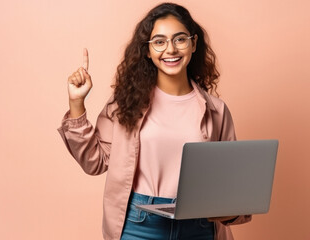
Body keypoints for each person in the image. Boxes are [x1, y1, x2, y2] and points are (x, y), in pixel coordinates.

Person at [58, 2, 252, 240]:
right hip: (138, 224)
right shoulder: (125, 103)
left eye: (180, 39)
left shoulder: (216, 111)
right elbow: (94, 162)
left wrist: (230, 210)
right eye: (159, 42)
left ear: (193, 44)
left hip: (199, 226)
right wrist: (76, 103)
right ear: (147, 51)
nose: (170, 49)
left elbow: (229, 184)